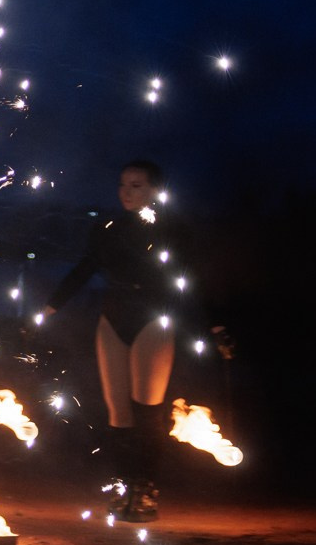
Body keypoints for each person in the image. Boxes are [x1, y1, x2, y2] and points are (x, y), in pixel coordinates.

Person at [42, 160, 222, 522]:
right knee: (118, 413)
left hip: (153, 320)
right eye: (123, 184)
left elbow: (196, 281)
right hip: (113, 318)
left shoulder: (174, 232)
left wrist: (216, 327)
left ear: (154, 191)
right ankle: (122, 486)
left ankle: (146, 490)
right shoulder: (108, 229)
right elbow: (85, 268)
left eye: (137, 185)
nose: (126, 192)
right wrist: (49, 307)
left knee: (147, 411)